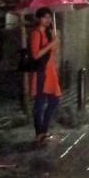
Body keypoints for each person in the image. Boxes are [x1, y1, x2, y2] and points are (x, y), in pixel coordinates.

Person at [30, 8, 62, 144]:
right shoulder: (36, 33)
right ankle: (39, 133)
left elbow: (52, 53)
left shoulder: (49, 33)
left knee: (55, 100)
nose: (48, 20)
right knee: (40, 103)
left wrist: (55, 44)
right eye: (45, 17)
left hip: (50, 72)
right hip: (41, 72)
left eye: (49, 17)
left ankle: (43, 131)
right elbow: (35, 55)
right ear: (39, 19)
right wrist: (50, 45)